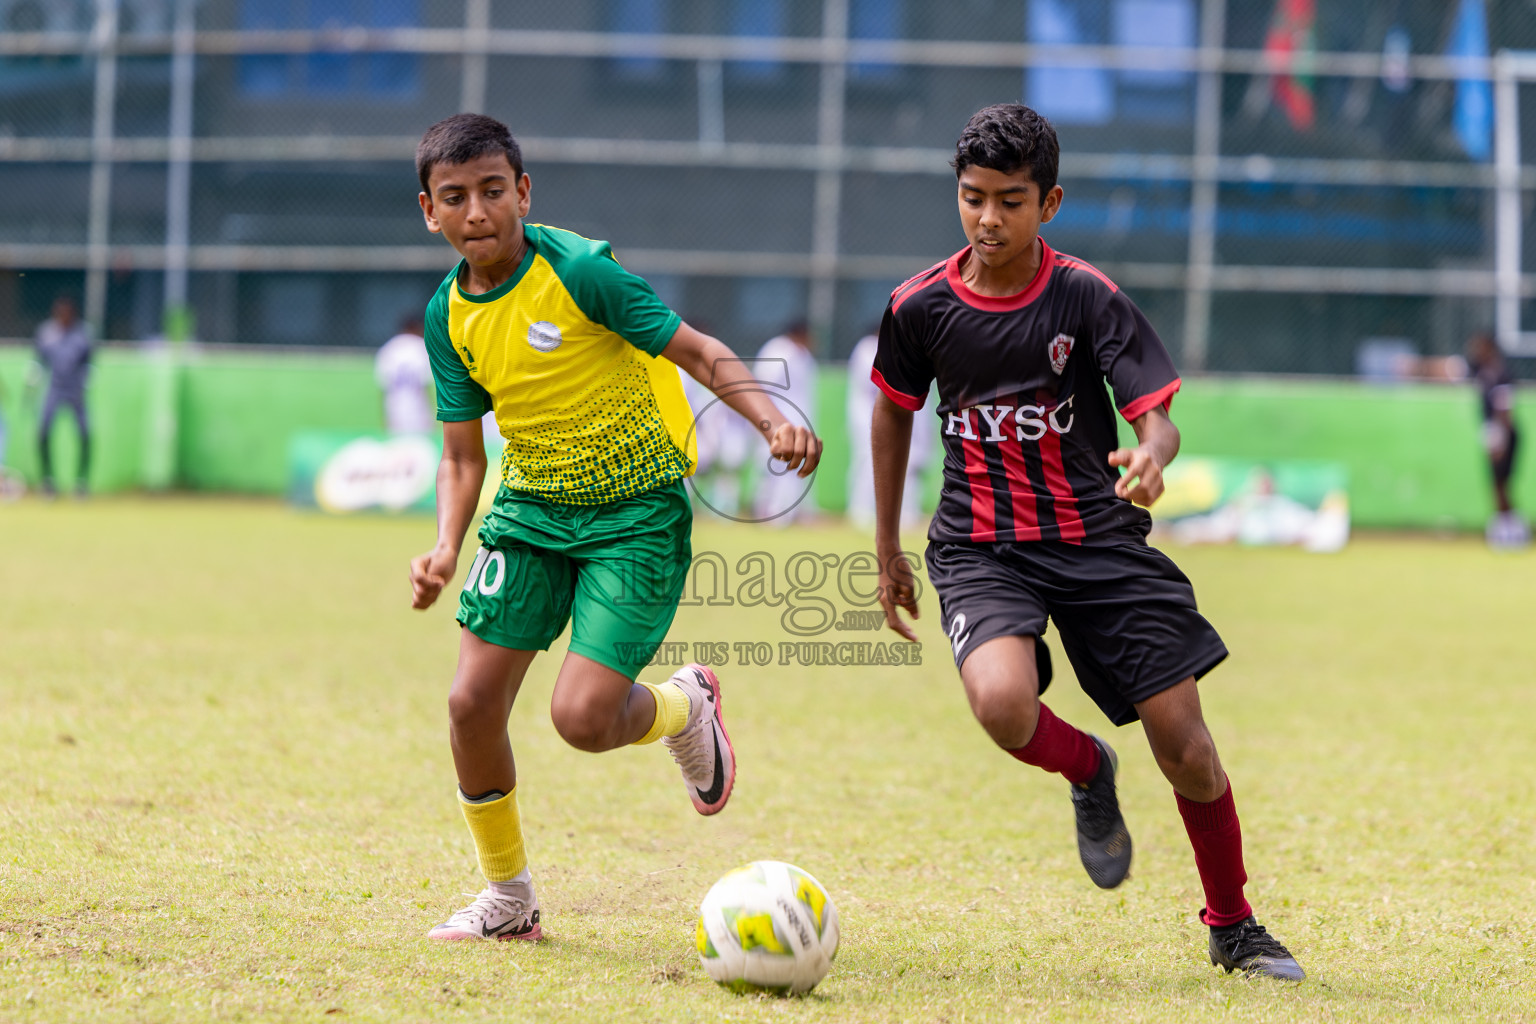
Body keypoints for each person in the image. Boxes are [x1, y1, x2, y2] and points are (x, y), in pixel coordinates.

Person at [869, 104, 1304, 981]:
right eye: (973, 199)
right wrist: (886, 550)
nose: (989, 220)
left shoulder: (1086, 296)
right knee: (1001, 704)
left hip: (1098, 541)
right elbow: (892, 414)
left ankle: (1234, 924)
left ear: (1050, 202)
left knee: (1186, 746)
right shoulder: (918, 306)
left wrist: (1150, 454)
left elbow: (1158, 415)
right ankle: (1087, 767)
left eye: (1011, 202)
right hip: (981, 545)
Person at [405, 114, 822, 943]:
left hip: (636, 515)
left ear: (523, 192)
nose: (478, 212)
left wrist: (774, 421)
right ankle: (508, 898)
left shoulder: (583, 272)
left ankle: (684, 707)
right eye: (456, 198)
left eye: (493, 191)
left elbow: (698, 352)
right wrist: (449, 544)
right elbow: (460, 458)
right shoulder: (446, 315)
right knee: (468, 704)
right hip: (530, 513)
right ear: (430, 212)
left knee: (583, 720)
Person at [847, 329, 929, 529]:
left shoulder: (912, 347)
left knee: (909, 463)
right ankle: (861, 512)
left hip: (907, 413)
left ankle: (908, 513)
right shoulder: (867, 348)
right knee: (867, 461)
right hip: (870, 415)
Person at [754, 320, 819, 524]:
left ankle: (787, 512)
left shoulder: (804, 356)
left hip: (798, 420)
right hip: (776, 420)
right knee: (773, 465)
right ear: (800, 333)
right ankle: (770, 512)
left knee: (793, 468)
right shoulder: (777, 349)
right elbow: (762, 385)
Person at [1466, 333, 1526, 548]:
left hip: (1503, 434)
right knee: (1496, 484)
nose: (1475, 351)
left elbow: (1505, 410)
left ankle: (1514, 531)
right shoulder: (1482, 371)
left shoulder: (1500, 373)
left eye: (1479, 346)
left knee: (1502, 484)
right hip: (1494, 433)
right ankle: (1505, 528)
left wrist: (1501, 441)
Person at [34, 295, 92, 497]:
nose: (64, 316)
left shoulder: (83, 334)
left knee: (85, 434)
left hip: (76, 390)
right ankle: (48, 482)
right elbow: (39, 360)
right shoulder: (46, 332)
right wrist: (34, 376)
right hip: (54, 388)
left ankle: (81, 482)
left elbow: (89, 361)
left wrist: (88, 379)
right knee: (43, 432)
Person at [375, 313, 435, 434]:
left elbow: (384, 387)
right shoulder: (421, 346)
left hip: (395, 409)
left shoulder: (389, 348)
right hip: (418, 410)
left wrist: (385, 419)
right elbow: (424, 385)